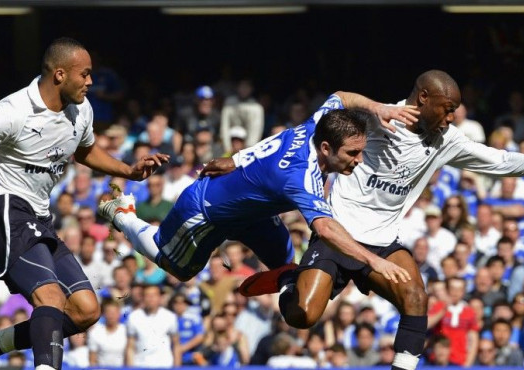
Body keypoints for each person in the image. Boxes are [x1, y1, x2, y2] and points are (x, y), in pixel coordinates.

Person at [236, 70, 524, 370]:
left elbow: (500, 162)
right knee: (302, 317)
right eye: (446, 109)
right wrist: (239, 161)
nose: (451, 118)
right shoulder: (377, 118)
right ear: (423, 99)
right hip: (336, 235)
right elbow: (334, 104)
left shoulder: (446, 140)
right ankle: (286, 279)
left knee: (416, 297)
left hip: (384, 242)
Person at [0, 38, 166, 370]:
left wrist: (128, 170)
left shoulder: (82, 111)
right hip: (4, 208)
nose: (91, 81)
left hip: (39, 217)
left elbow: (84, 151)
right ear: (59, 74)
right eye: (86, 73)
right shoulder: (13, 110)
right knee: (49, 298)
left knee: (85, 311)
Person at [99, 91, 420, 287]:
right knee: (179, 270)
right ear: (325, 148)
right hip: (205, 213)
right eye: (352, 153)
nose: (359, 160)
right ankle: (125, 215)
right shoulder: (299, 178)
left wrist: (378, 108)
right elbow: (326, 228)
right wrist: (375, 261)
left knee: (286, 264)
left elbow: (341, 96)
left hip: (253, 212)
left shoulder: (318, 123)